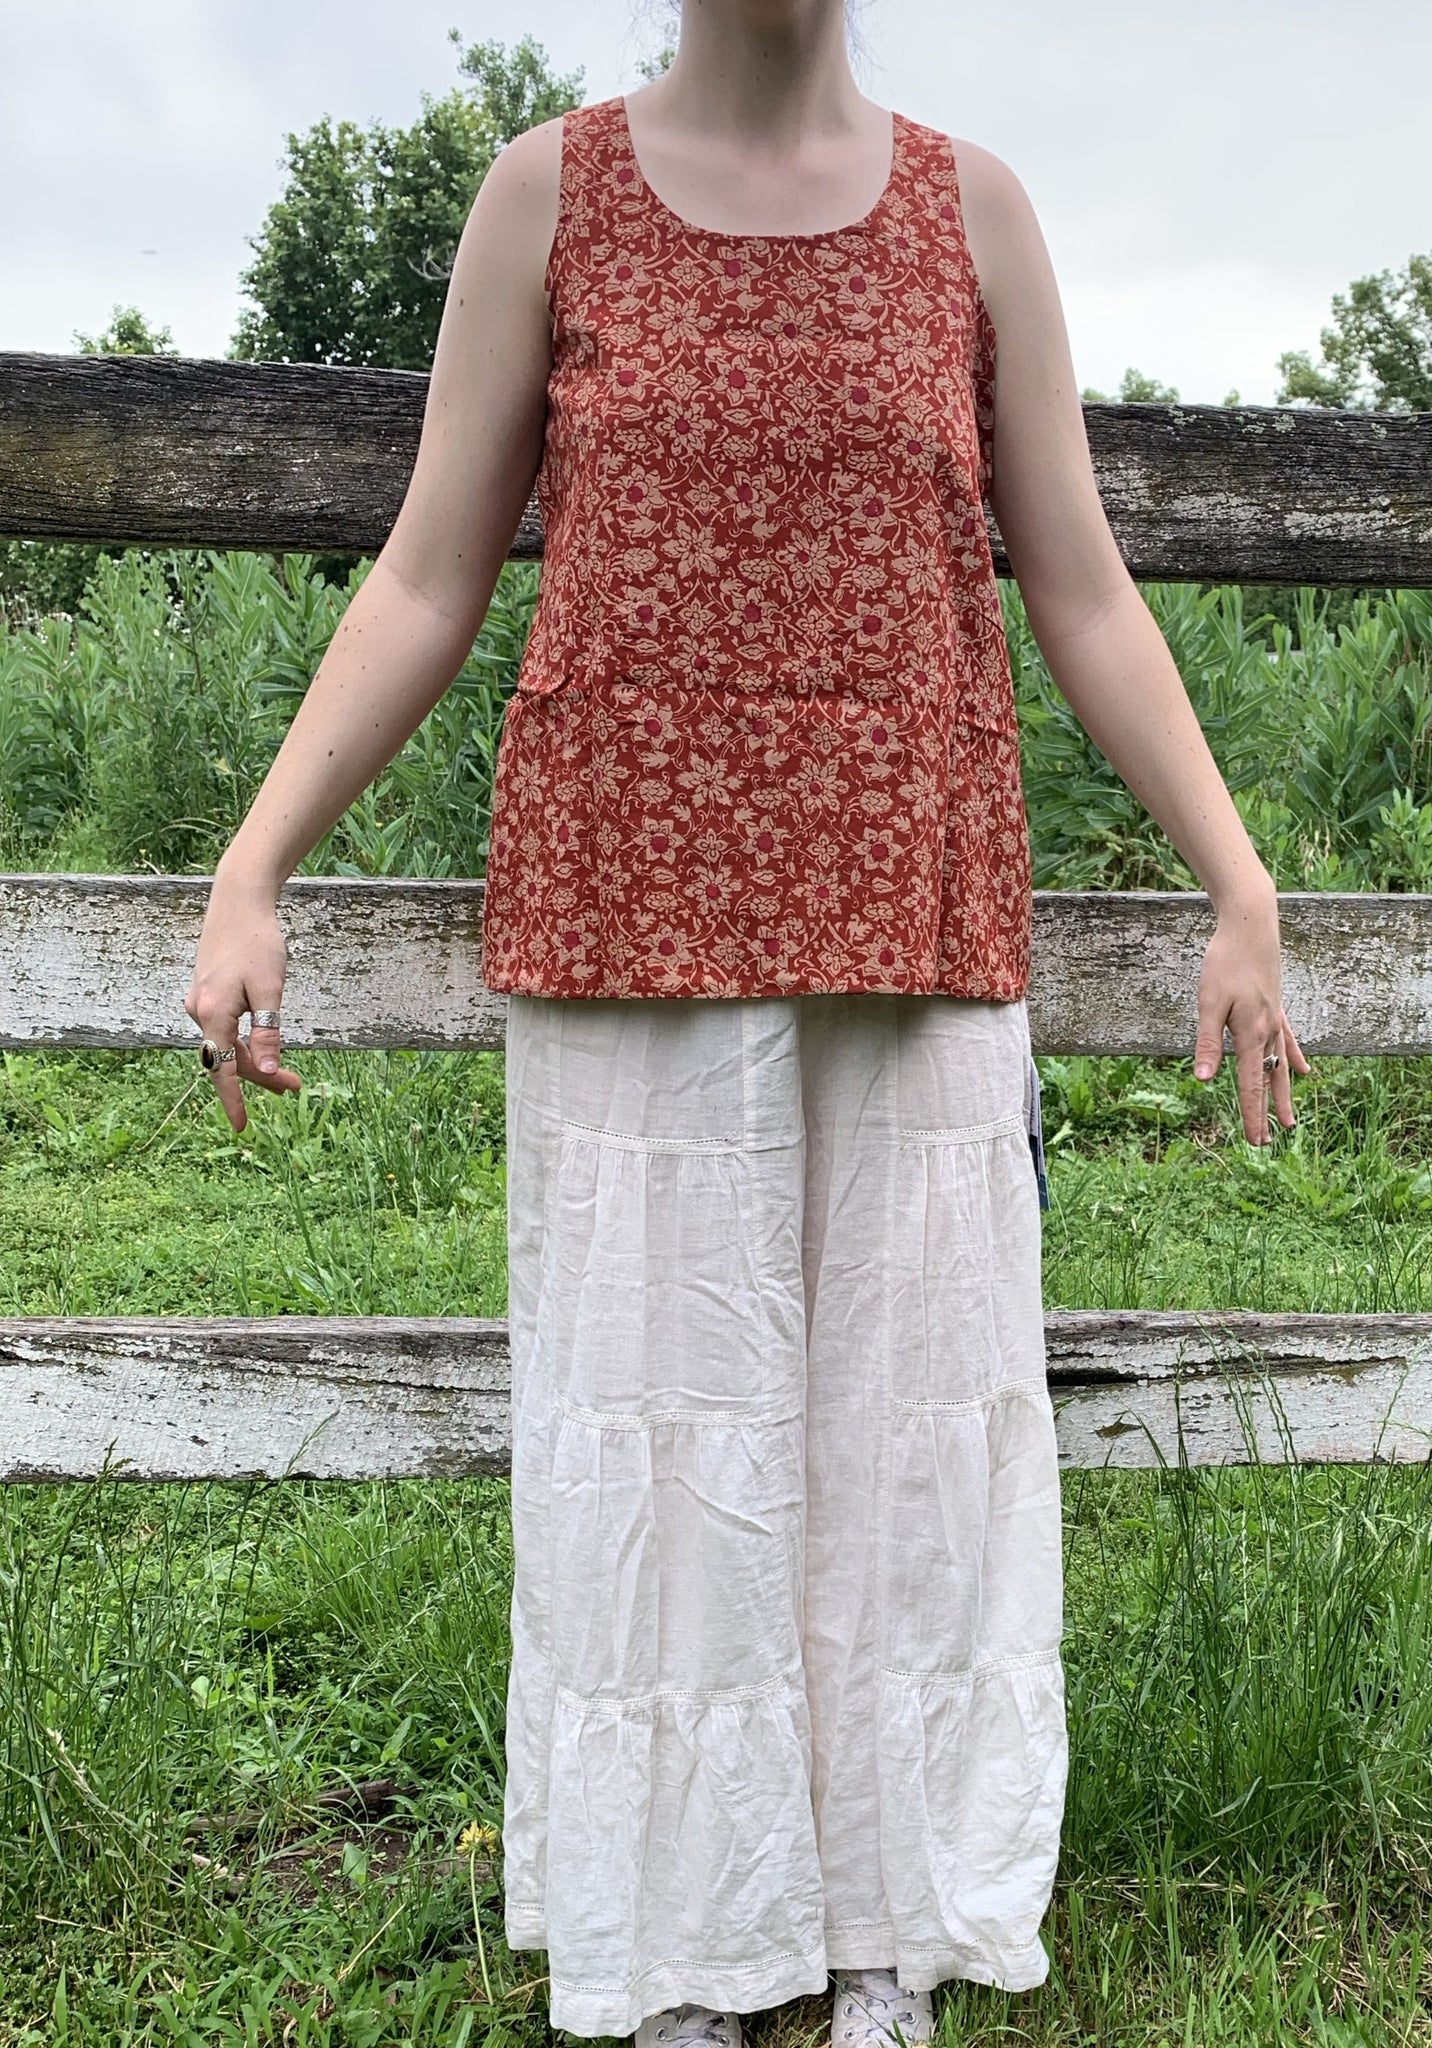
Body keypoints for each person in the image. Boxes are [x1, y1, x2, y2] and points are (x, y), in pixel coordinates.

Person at [184, 2, 1308, 2040]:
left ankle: (883, 1935)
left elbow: (1083, 589)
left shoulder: (978, 215)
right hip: (633, 908)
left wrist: (1235, 879)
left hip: (913, 901)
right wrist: (258, 859)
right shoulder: (551, 196)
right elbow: (432, 573)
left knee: (907, 1452)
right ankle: (690, 1938)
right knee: (660, 1435)